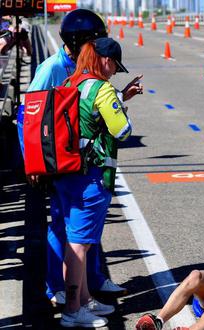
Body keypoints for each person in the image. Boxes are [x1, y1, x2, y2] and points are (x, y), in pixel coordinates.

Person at [21, 9, 139, 307]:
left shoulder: (80, 68)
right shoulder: (52, 69)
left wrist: (121, 96)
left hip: (75, 158)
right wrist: (32, 162)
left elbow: (87, 109)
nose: (98, 47)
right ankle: (57, 287)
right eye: (95, 41)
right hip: (58, 159)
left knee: (84, 226)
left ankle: (94, 279)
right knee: (62, 224)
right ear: (81, 42)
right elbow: (29, 116)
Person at [55, 36, 141, 327]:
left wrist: (120, 99)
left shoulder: (71, 83)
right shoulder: (102, 89)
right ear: (104, 60)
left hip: (66, 172)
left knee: (76, 239)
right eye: (115, 65)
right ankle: (71, 310)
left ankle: (84, 298)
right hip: (91, 175)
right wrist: (121, 107)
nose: (115, 71)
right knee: (79, 245)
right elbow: (123, 131)